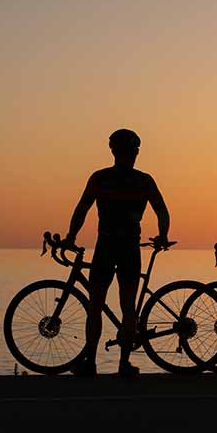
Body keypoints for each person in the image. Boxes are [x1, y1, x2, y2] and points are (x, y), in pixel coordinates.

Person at [63, 129, 170, 376]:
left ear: (112, 150)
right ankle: (124, 363)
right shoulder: (144, 181)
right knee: (128, 305)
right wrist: (163, 234)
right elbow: (162, 210)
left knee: (95, 305)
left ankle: (90, 361)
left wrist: (70, 237)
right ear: (135, 152)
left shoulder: (100, 178)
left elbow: (82, 208)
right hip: (129, 247)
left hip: (106, 244)